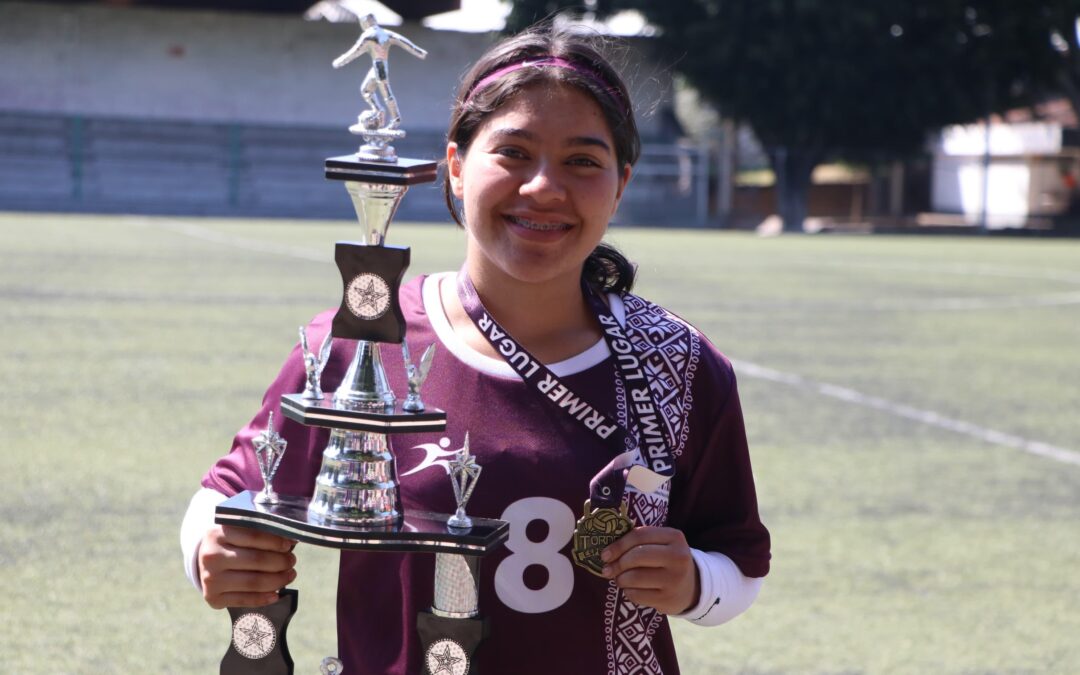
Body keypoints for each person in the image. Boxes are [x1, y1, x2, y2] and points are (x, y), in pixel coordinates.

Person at [181, 23, 770, 675]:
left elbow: (740, 560)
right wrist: (213, 549)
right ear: (457, 167)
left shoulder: (678, 364)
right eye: (514, 152)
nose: (544, 186)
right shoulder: (357, 343)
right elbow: (225, 495)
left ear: (621, 182)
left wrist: (692, 580)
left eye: (582, 160)